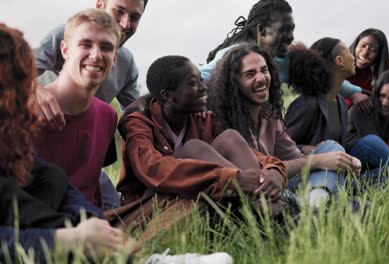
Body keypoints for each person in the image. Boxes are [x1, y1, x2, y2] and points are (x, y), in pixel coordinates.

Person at [114, 54, 287, 230]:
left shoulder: (204, 119)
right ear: (167, 96)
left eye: (200, 80)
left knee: (230, 138)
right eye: (193, 83)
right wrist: (234, 179)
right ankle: (269, 218)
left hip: (201, 194)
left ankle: (268, 213)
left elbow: (249, 153)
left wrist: (273, 170)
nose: (204, 88)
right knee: (194, 148)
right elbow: (152, 169)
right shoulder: (139, 122)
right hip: (152, 207)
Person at [0, 22, 123, 263]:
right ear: (65, 50)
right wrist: (66, 240)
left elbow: (62, 187)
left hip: (57, 227)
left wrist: (94, 226)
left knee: (49, 179)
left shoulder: (107, 115)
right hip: (36, 239)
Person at [208, 43, 360, 206]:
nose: (261, 78)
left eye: (264, 70)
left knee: (331, 147)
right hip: (258, 192)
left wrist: (342, 162)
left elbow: (293, 156)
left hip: (282, 181)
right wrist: (316, 161)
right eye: (250, 74)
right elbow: (259, 173)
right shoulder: (220, 121)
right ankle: (317, 207)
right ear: (234, 82)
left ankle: (316, 204)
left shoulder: (270, 114)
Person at [35, 0, 148, 209]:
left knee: (112, 208)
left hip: (85, 145)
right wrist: (31, 92)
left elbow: (135, 111)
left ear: (114, 57)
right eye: (119, 11)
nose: (125, 24)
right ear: (65, 50)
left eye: (134, 17)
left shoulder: (125, 66)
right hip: (47, 134)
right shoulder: (68, 31)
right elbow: (15, 74)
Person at [284, 39, 363, 196]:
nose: (353, 57)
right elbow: (278, 149)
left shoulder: (340, 102)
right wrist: (306, 149)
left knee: (386, 175)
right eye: (348, 52)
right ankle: (317, 207)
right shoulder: (307, 104)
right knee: (333, 146)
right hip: (304, 174)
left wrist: (352, 163)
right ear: (339, 61)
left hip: (333, 174)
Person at [200, 0, 294, 82]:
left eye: (292, 29)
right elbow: (196, 79)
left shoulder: (278, 60)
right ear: (261, 30)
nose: (291, 37)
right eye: (284, 30)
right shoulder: (234, 56)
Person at [345, 28, 389, 106]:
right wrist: (352, 96)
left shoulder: (373, 77)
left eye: (373, 49)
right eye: (363, 46)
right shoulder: (339, 67)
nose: (365, 52)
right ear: (356, 45)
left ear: (379, 56)